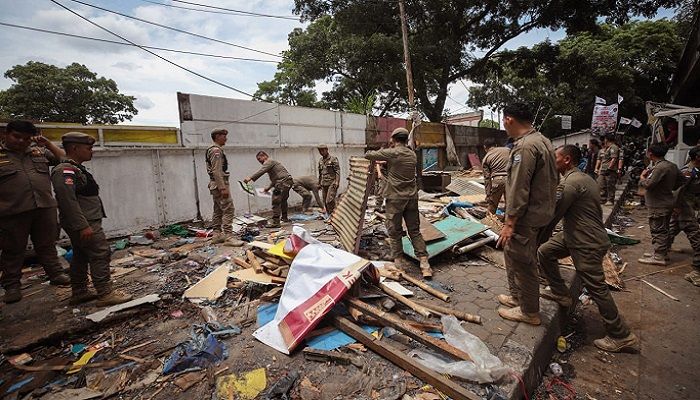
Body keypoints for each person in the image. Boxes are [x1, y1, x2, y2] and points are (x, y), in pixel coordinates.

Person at [538, 145, 638, 352]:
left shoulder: (569, 184)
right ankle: (560, 293)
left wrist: (536, 236)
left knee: (597, 288)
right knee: (546, 252)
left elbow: (553, 216)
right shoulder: (586, 178)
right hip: (575, 235)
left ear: (566, 160)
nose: (552, 162)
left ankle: (621, 335)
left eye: (555, 158)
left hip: (586, 241)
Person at [51, 132, 133, 306]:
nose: (91, 152)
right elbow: (68, 201)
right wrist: (82, 226)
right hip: (85, 222)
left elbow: (61, 155)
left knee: (81, 255)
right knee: (100, 253)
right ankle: (105, 293)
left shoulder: (73, 167)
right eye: (88, 148)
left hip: (85, 221)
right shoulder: (64, 171)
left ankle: (79, 291)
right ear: (75, 148)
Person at [496, 103, 558, 325]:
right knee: (512, 254)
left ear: (509, 120)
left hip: (525, 216)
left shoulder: (524, 147)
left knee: (524, 262)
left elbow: (519, 187)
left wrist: (510, 222)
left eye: (503, 121)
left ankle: (529, 311)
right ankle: (517, 297)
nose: (503, 125)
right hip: (541, 212)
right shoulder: (543, 140)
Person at [0, 121, 70, 304]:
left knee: (47, 245)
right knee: (13, 250)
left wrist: (47, 144)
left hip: (44, 207)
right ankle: (12, 286)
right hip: (13, 211)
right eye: (17, 137)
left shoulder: (37, 152)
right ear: (6, 134)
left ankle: (56, 274)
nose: (21, 141)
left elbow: (65, 159)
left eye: (26, 138)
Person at [365, 128, 432, 278]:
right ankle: (424, 263)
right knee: (414, 230)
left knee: (394, 231)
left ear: (394, 138)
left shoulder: (392, 152)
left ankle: (399, 262)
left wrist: (383, 148)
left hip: (395, 198)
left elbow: (368, 155)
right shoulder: (412, 154)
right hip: (412, 198)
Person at [637, 143, 682, 266]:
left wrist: (642, 177)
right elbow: (681, 180)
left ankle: (658, 256)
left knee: (658, 230)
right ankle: (662, 252)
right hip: (667, 201)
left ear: (650, 153)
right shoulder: (672, 166)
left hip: (658, 204)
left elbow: (649, 184)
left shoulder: (659, 168)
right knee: (664, 228)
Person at [667, 146, 700, 285]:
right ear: (697, 157)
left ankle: (661, 252)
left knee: (671, 229)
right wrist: (676, 206)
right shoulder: (688, 171)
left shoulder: (696, 170)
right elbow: (677, 191)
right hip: (684, 208)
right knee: (697, 237)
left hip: (689, 206)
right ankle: (697, 272)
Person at [244, 152, 293, 228]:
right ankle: (284, 218)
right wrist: (268, 188)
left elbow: (261, 171)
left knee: (275, 201)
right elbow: (275, 179)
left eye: (260, 159)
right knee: (283, 200)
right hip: (287, 182)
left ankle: (276, 223)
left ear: (265, 156)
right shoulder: (272, 164)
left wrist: (250, 178)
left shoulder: (269, 161)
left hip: (282, 182)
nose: (259, 161)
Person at [205, 129, 234, 235]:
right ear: (217, 136)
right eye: (223, 136)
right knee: (229, 209)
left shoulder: (213, 149)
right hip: (219, 185)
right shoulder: (215, 150)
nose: (226, 138)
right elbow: (216, 171)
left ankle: (216, 235)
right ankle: (229, 237)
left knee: (218, 210)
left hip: (214, 185)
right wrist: (222, 188)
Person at [481, 137, 510, 214]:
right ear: (496, 145)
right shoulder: (508, 150)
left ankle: (489, 223)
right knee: (510, 206)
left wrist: (488, 195)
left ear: (485, 147)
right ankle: (508, 223)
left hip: (498, 181)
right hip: (512, 179)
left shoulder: (486, 158)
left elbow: (487, 178)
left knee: (492, 206)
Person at [595, 134, 620, 205]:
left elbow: (614, 158)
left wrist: (609, 168)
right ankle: (602, 198)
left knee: (610, 185)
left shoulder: (614, 147)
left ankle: (610, 200)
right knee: (601, 184)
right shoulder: (607, 148)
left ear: (607, 139)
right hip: (603, 169)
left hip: (609, 170)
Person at [317, 144, 340, 215]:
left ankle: (334, 215)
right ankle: (330, 216)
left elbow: (337, 171)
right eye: (320, 151)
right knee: (325, 202)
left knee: (329, 200)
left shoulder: (333, 159)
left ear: (327, 150)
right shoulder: (320, 160)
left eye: (323, 150)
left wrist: (337, 181)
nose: (321, 152)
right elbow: (320, 173)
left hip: (332, 183)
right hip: (324, 183)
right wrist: (319, 183)